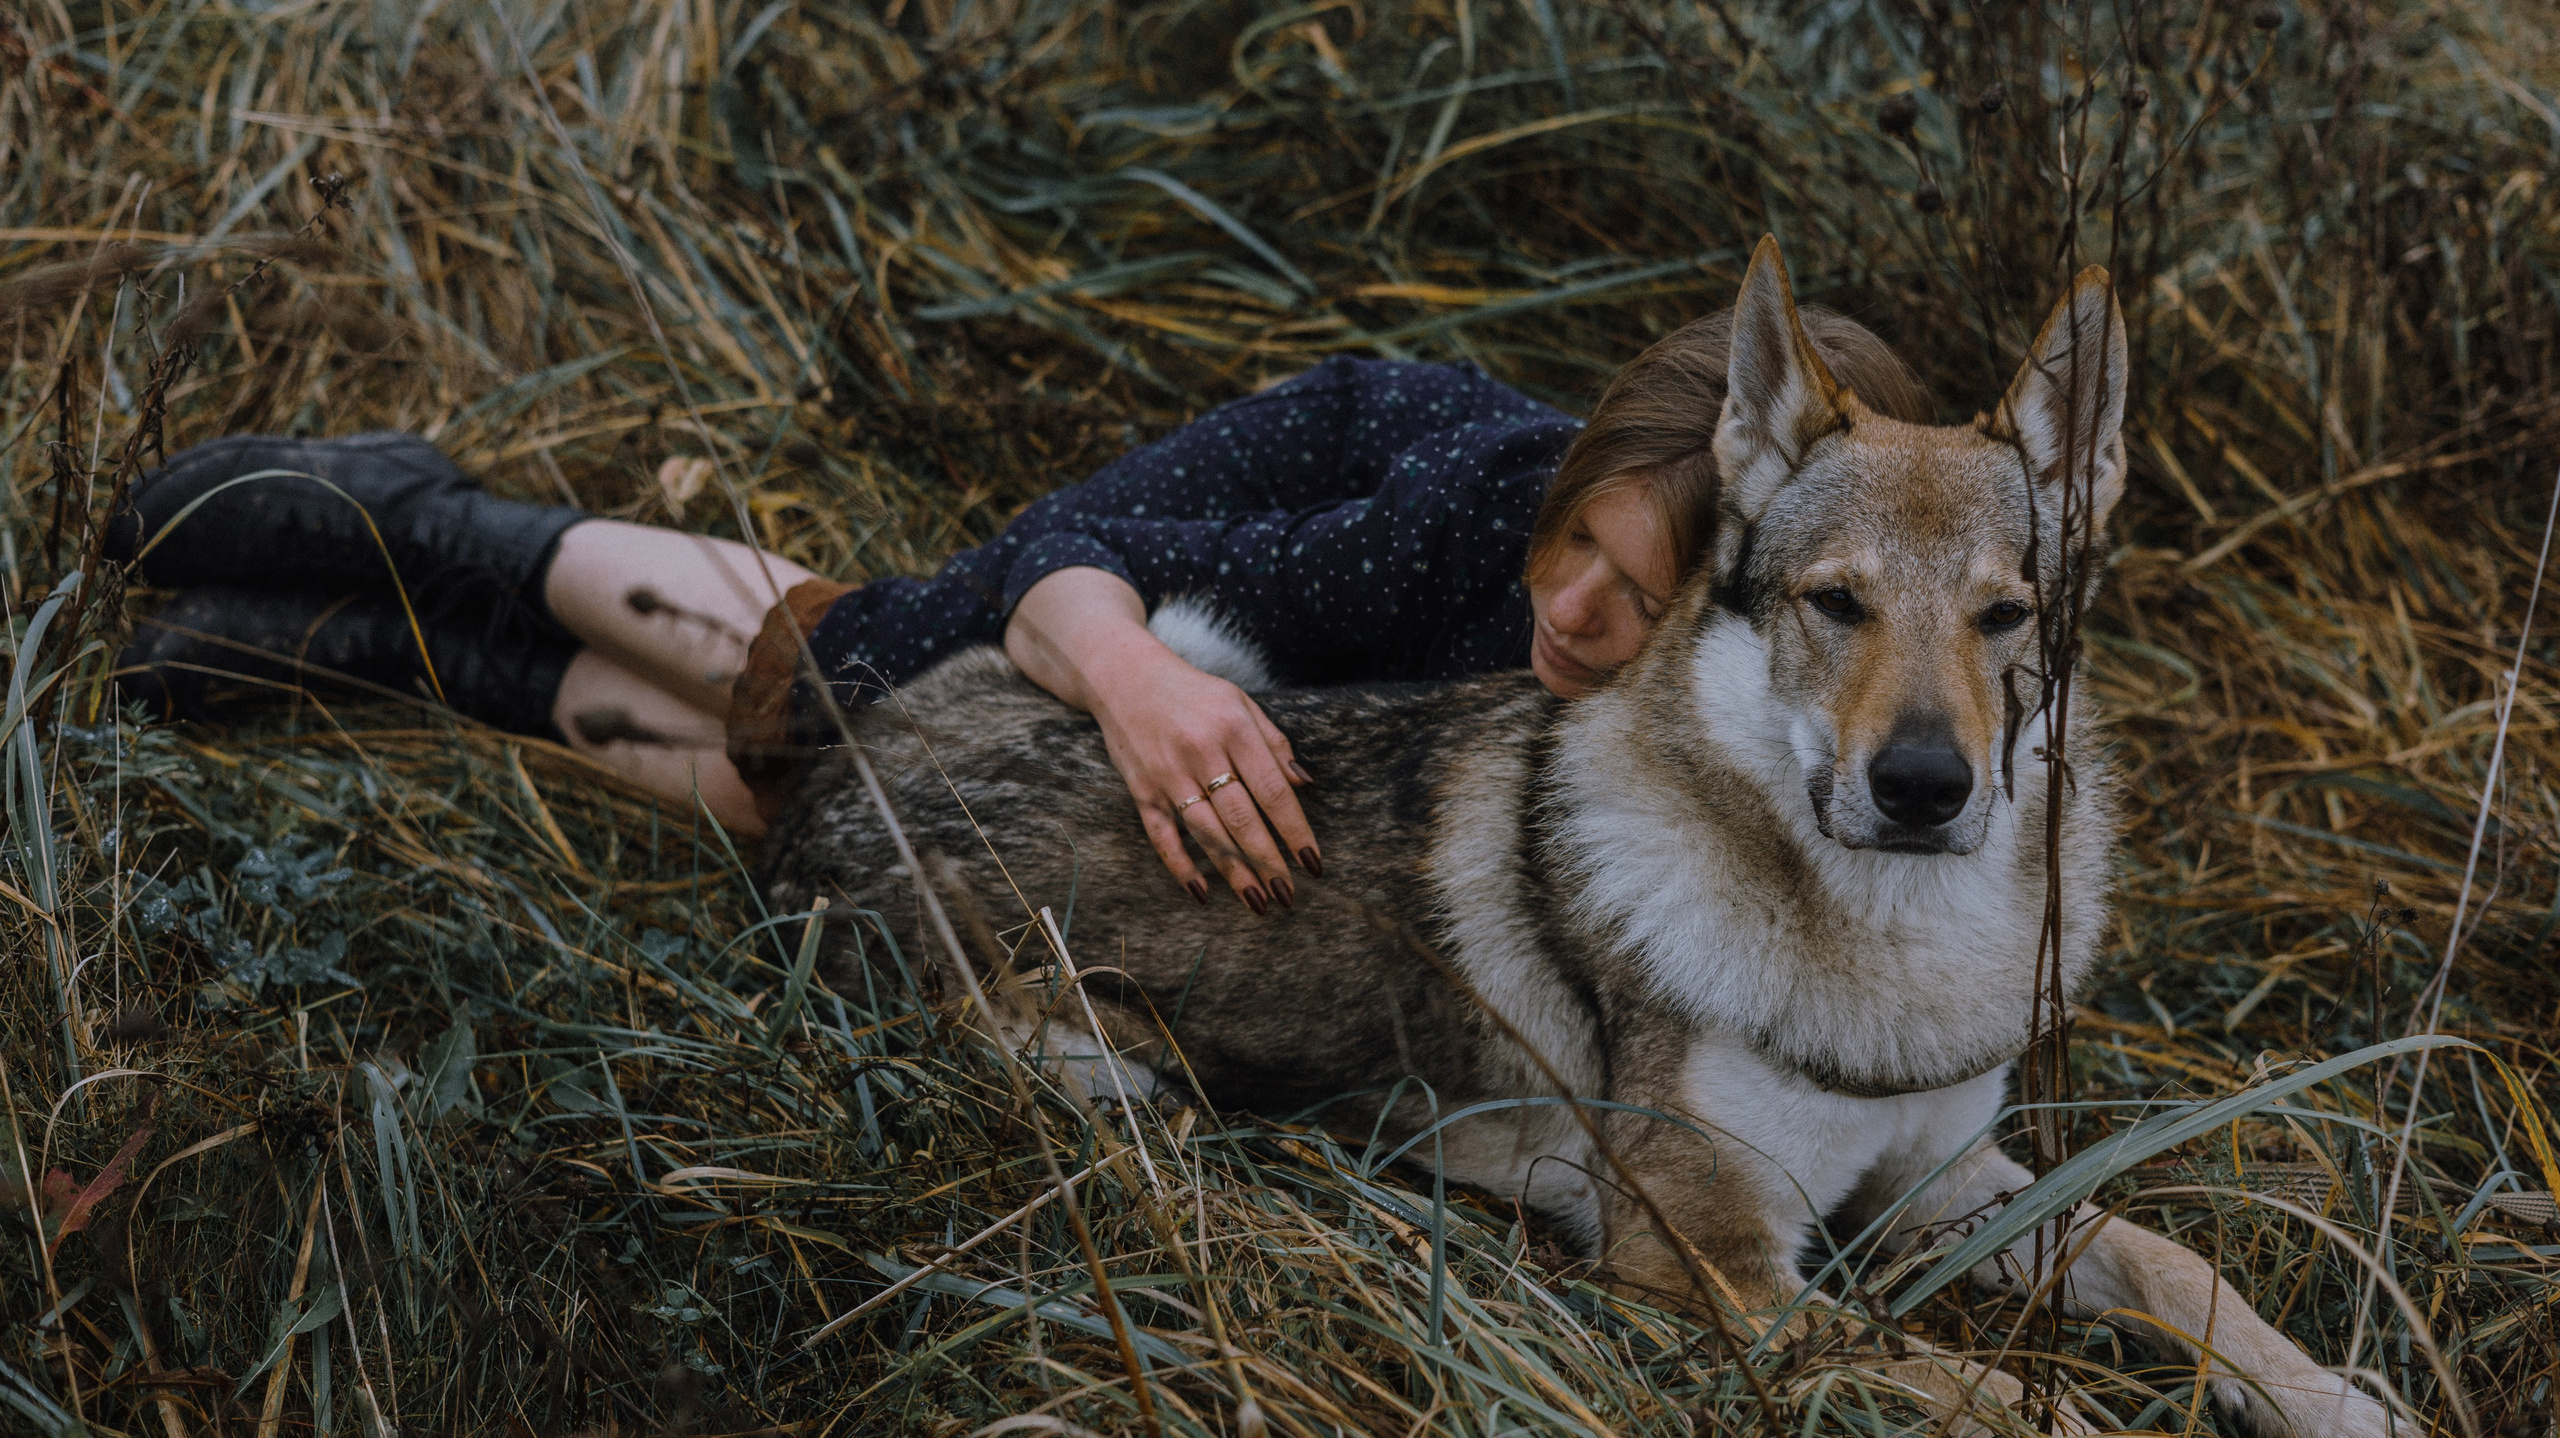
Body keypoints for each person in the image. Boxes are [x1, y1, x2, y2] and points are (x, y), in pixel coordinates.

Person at [110, 308, 1928, 908]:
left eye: (1638, 597)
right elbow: (1077, 583)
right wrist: (1135, 683)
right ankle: (426, 523)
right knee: (866, 663)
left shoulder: (1752, 710)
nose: (1575, 608)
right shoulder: (1457, 518)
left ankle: (397, 663)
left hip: (1278, 705)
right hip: (1198, 548)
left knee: (803, 807)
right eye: (1576, 545)